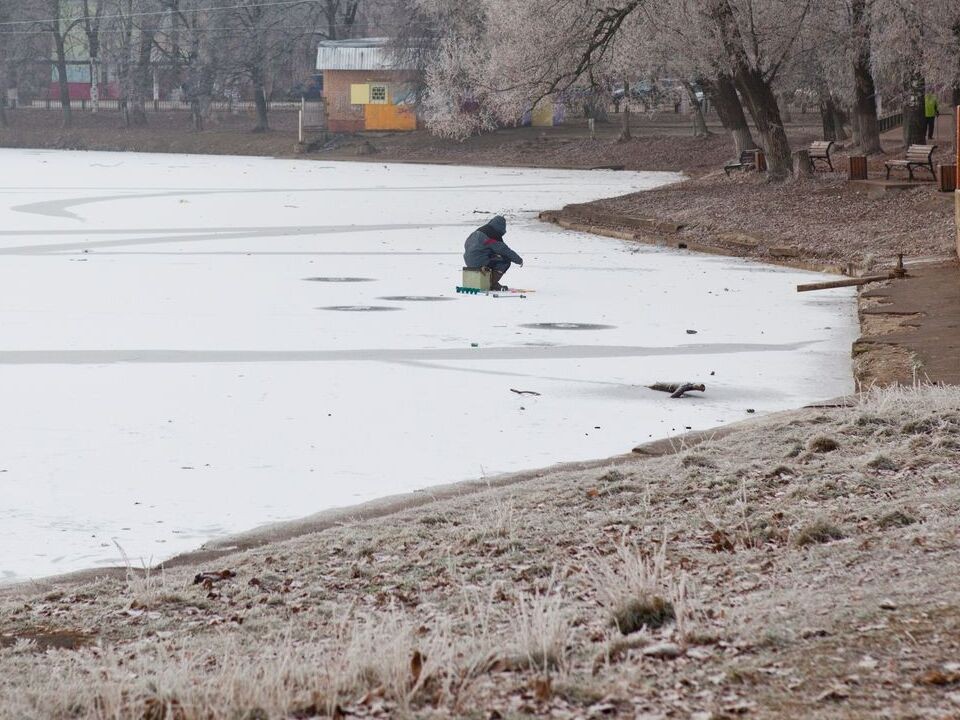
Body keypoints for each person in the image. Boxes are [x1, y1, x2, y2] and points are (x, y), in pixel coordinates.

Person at [463, 215, 523, 290]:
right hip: (480, 261)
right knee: (505, 261)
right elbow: (504, 250)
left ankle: (487, 279)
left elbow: (468, 244)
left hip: (468, 260)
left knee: (494, 257)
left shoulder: (478, 231)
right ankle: (491, 283)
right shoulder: (492, 235)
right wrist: (519, 260)